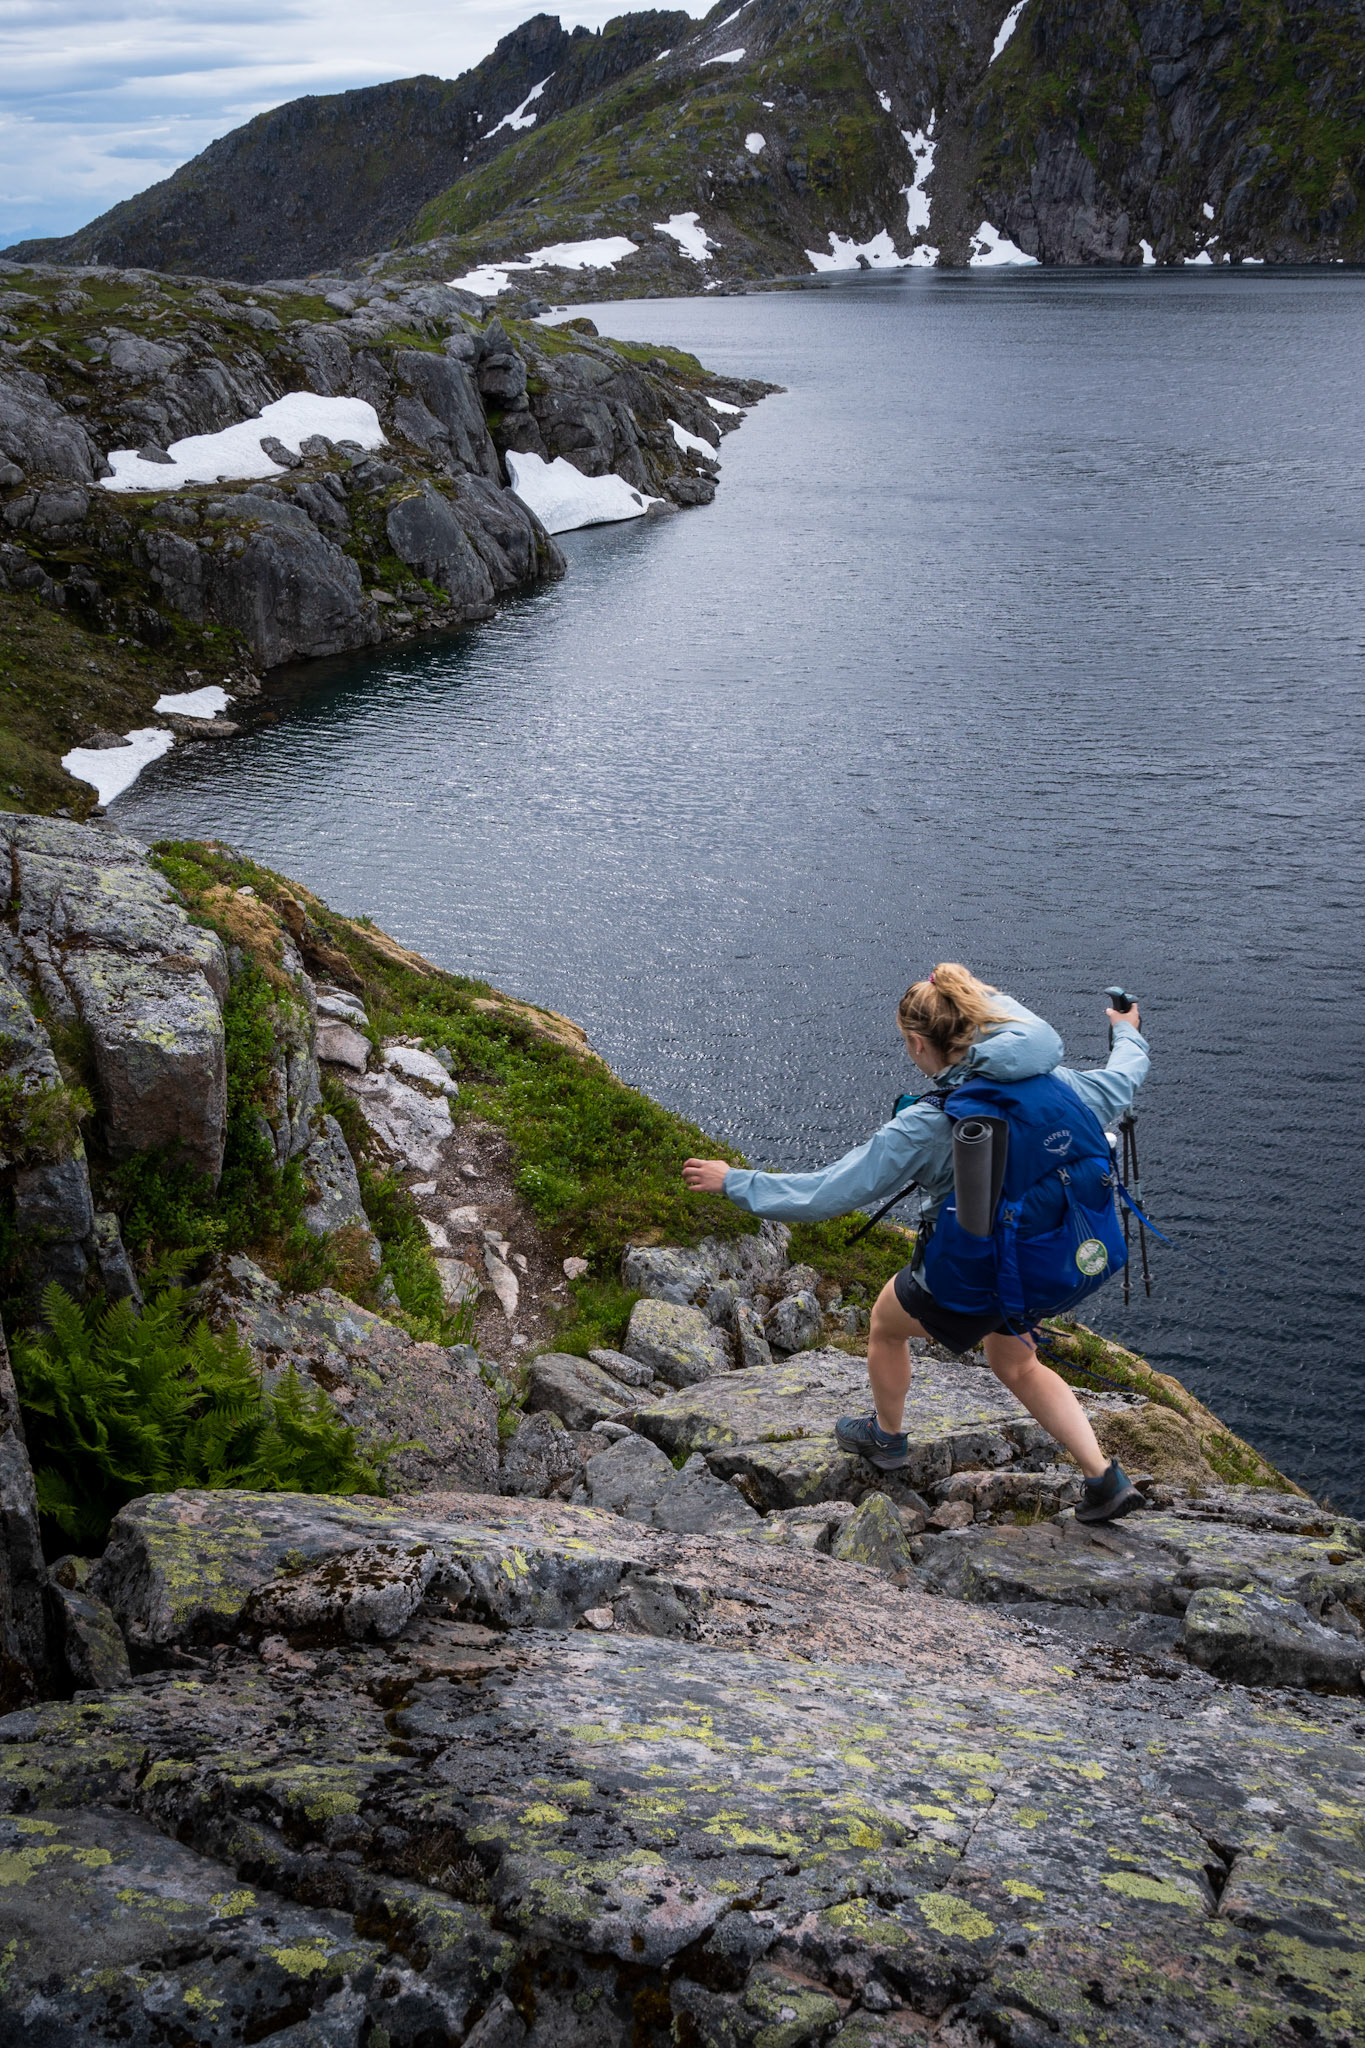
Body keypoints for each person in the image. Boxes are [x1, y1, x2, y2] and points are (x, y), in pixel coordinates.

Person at [682, 964, 1151, 1525]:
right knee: (1015, 1361)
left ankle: (886, 1438)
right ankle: (1103, 1478)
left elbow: (826, 1193)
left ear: (915, 1042)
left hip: (979, 1279)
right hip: (1052, 1263)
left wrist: (734, 1180)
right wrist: (1125, 1028)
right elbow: (1128, 1072)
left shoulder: (930, 1126)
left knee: (885, 1323)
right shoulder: (1068, 1088)